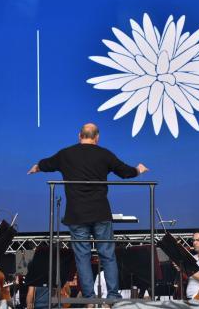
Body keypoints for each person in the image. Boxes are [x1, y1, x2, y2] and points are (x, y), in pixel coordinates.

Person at [28, 123, 148, 300]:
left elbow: (47, 164)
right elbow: (125, 172)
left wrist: (37, 167)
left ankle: (90, 300)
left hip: (76, 215)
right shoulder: (104, 154)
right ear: (97, 137)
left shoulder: (66, 154)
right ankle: (113, 297)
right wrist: (139, 170)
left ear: (79, 136)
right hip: (100, 213)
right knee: (107, 255)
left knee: (82, 258)